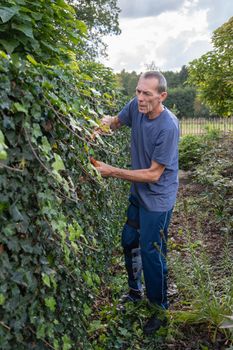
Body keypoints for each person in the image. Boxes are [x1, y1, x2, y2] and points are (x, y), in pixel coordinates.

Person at [92, 71, 179, 335]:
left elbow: (154, 174)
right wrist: (95, 128)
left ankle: (160, 310)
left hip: (157, 200)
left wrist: (112, 170)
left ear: (162, 96)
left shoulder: (168, 127)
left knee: (152, 255)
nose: (140, 98)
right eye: (138, 91)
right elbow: (116, 122)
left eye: (147, 94)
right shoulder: (136, 106)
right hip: (138, 192)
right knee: (129, 239)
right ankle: (134, 291)